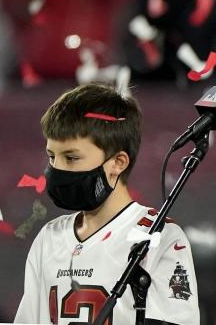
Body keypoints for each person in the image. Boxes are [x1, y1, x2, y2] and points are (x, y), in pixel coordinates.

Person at [15, 83, 200, 325]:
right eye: (52, 157)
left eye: (71, 158)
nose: (57, 169)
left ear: (118, 162)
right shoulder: (49, 238)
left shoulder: (157, 237)